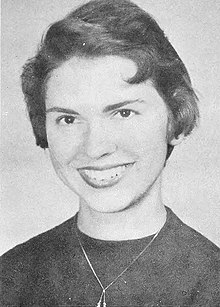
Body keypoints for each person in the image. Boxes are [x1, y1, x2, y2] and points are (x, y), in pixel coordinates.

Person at [1, 0, 219, 306]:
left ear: (176, 121)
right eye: (69, 119)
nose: (95, 148)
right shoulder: (9, 277)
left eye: (124, 113)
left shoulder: (213, 282)